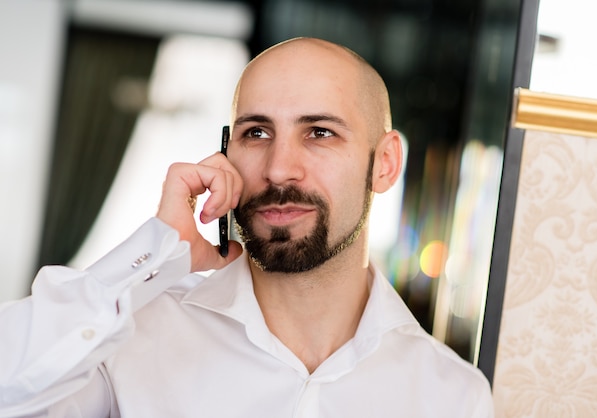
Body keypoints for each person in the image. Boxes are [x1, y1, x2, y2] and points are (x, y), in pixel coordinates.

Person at [0, 37, 493, 417]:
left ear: (384, 164)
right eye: (256, 132)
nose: (279, 169)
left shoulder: (452, 395)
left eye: (319, 133)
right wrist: (153, 252)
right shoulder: (131, 338)